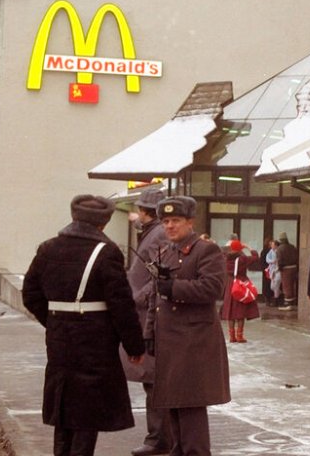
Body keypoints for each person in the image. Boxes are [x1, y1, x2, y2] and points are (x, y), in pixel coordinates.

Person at [22, 195, 145, 456]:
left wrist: (54, 321)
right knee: (88, 407)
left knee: (63, 401)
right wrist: (134, 345)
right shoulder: (107, 252)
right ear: (104, 222)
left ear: (74, 216)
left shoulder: (48, 248)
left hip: (59, 339)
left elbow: (30, 294)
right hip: (96, 341)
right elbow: (121, 304)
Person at [148, 196, 231, 455]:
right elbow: (155, 296)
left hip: (193, 340)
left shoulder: (205, 250)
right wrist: (149, 332)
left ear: (190, 222)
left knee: (190, 404)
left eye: (176, 220)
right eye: (165, 221)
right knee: (173, 401)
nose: (170, 226)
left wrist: (174, 287)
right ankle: (178, 451)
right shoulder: (166, 250)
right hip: (169, 338)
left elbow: (213, 288)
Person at [122, 189, 173, 456]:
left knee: (154, 380)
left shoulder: (158, 234)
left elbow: (159, 275)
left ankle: (159, 439)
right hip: (147, 312)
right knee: (152, 380)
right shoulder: (154, 232)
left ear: (145, 211)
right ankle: (161, 437)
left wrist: (138, 297)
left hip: (150, 315)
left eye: (139, 210)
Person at [220, 239, 260, 343]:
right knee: (240, 311)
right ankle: (240, 336)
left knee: (230, 311)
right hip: (240, 284)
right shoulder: (242, 259)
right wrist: (248, 247)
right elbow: (256, 257)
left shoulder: (225, 258)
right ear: (240, 249)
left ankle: (232, 336)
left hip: (230, 284)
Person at [276, 231, 300, 310]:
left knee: (286, 286)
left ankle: (288, 303)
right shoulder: (292, 247)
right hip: (294, 268)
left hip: (285, 269)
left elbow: (279, 260)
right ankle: (293, 302)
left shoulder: (280, 248)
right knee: (292, 285)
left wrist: (279, 268)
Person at [266, 239, 282, 306]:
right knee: (272, 287)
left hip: (278, 270)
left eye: (272, 244)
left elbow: (280, 260)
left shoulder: (279, 251)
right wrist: (272, 261)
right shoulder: (270, 252)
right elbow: (267, 259)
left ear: (276, 245)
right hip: (272, 270)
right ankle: (280, 294)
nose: (271, 246)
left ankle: (276, 300)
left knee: (276, 285)